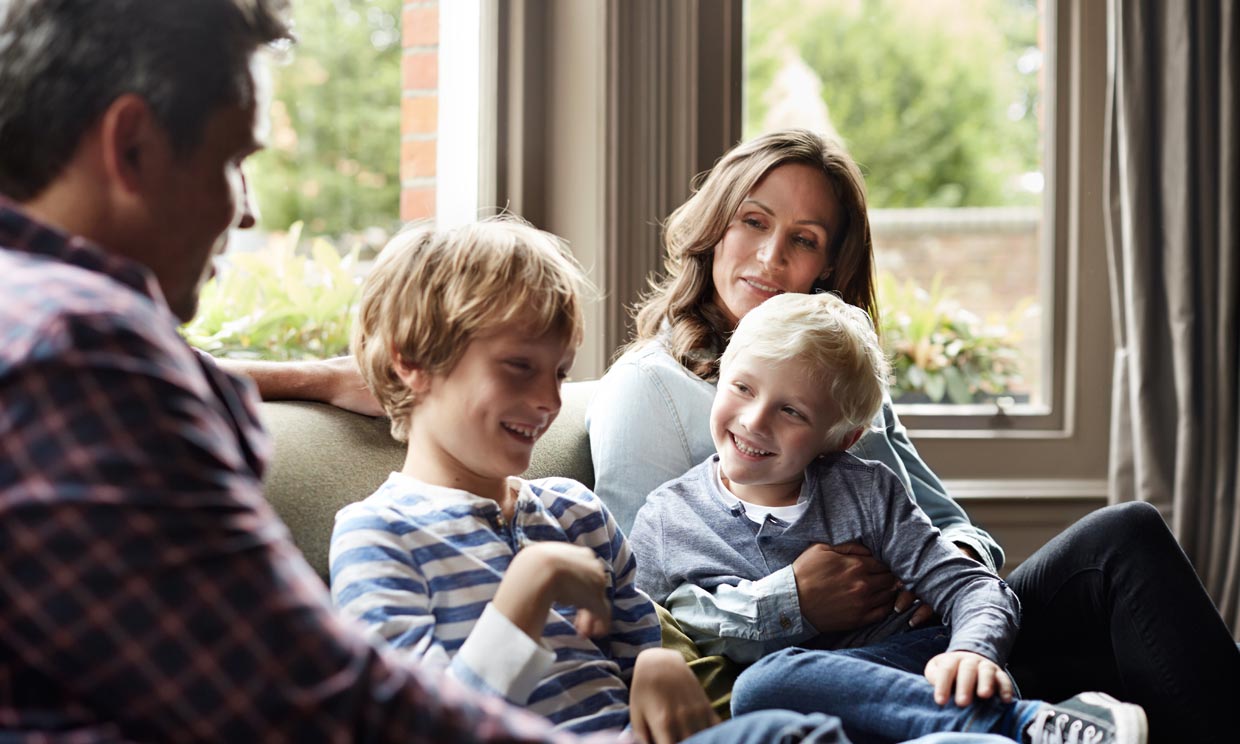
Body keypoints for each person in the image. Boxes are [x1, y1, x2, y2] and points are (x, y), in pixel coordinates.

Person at [0, 3, 831, 742]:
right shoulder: (83, 349)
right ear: (132, 144)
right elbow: (322, 704)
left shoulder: (41, 326)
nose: (247, 208)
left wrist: (316, 378)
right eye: (232, 161)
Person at [583, 128, 1239, 743]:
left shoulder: (842, 386)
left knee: (1122, 537)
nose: (770, 255)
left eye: (804, 239)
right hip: (818, 678)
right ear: (715, 226)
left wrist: (935, 572)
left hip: (943, 636)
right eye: (753, 221)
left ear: (830, 267)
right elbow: (647, 612)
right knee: (773, 684)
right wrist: (797, 600)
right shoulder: (649, 389)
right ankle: (1025, 719)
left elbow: (963, 533)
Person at [329, 217, 860, 743]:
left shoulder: (573, 513)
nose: (548, 401)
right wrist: (526, 592)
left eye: (559, 372)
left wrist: (657, 667)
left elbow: (637, 653)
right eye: (519, 366)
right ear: (413, 361)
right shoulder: (377, 536)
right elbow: (414, 729)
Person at [628, 291, 1147, 744]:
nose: (755, 419)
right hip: (807, 710)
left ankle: (1028, 726)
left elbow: (977, 588)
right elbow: (640, 634)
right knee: (762, 686)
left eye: (793, 412)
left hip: (917, 662)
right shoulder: (666, 522)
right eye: (742, 387)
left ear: (841, 437)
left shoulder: (865, 490)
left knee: (767, 682)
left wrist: (973, 651)